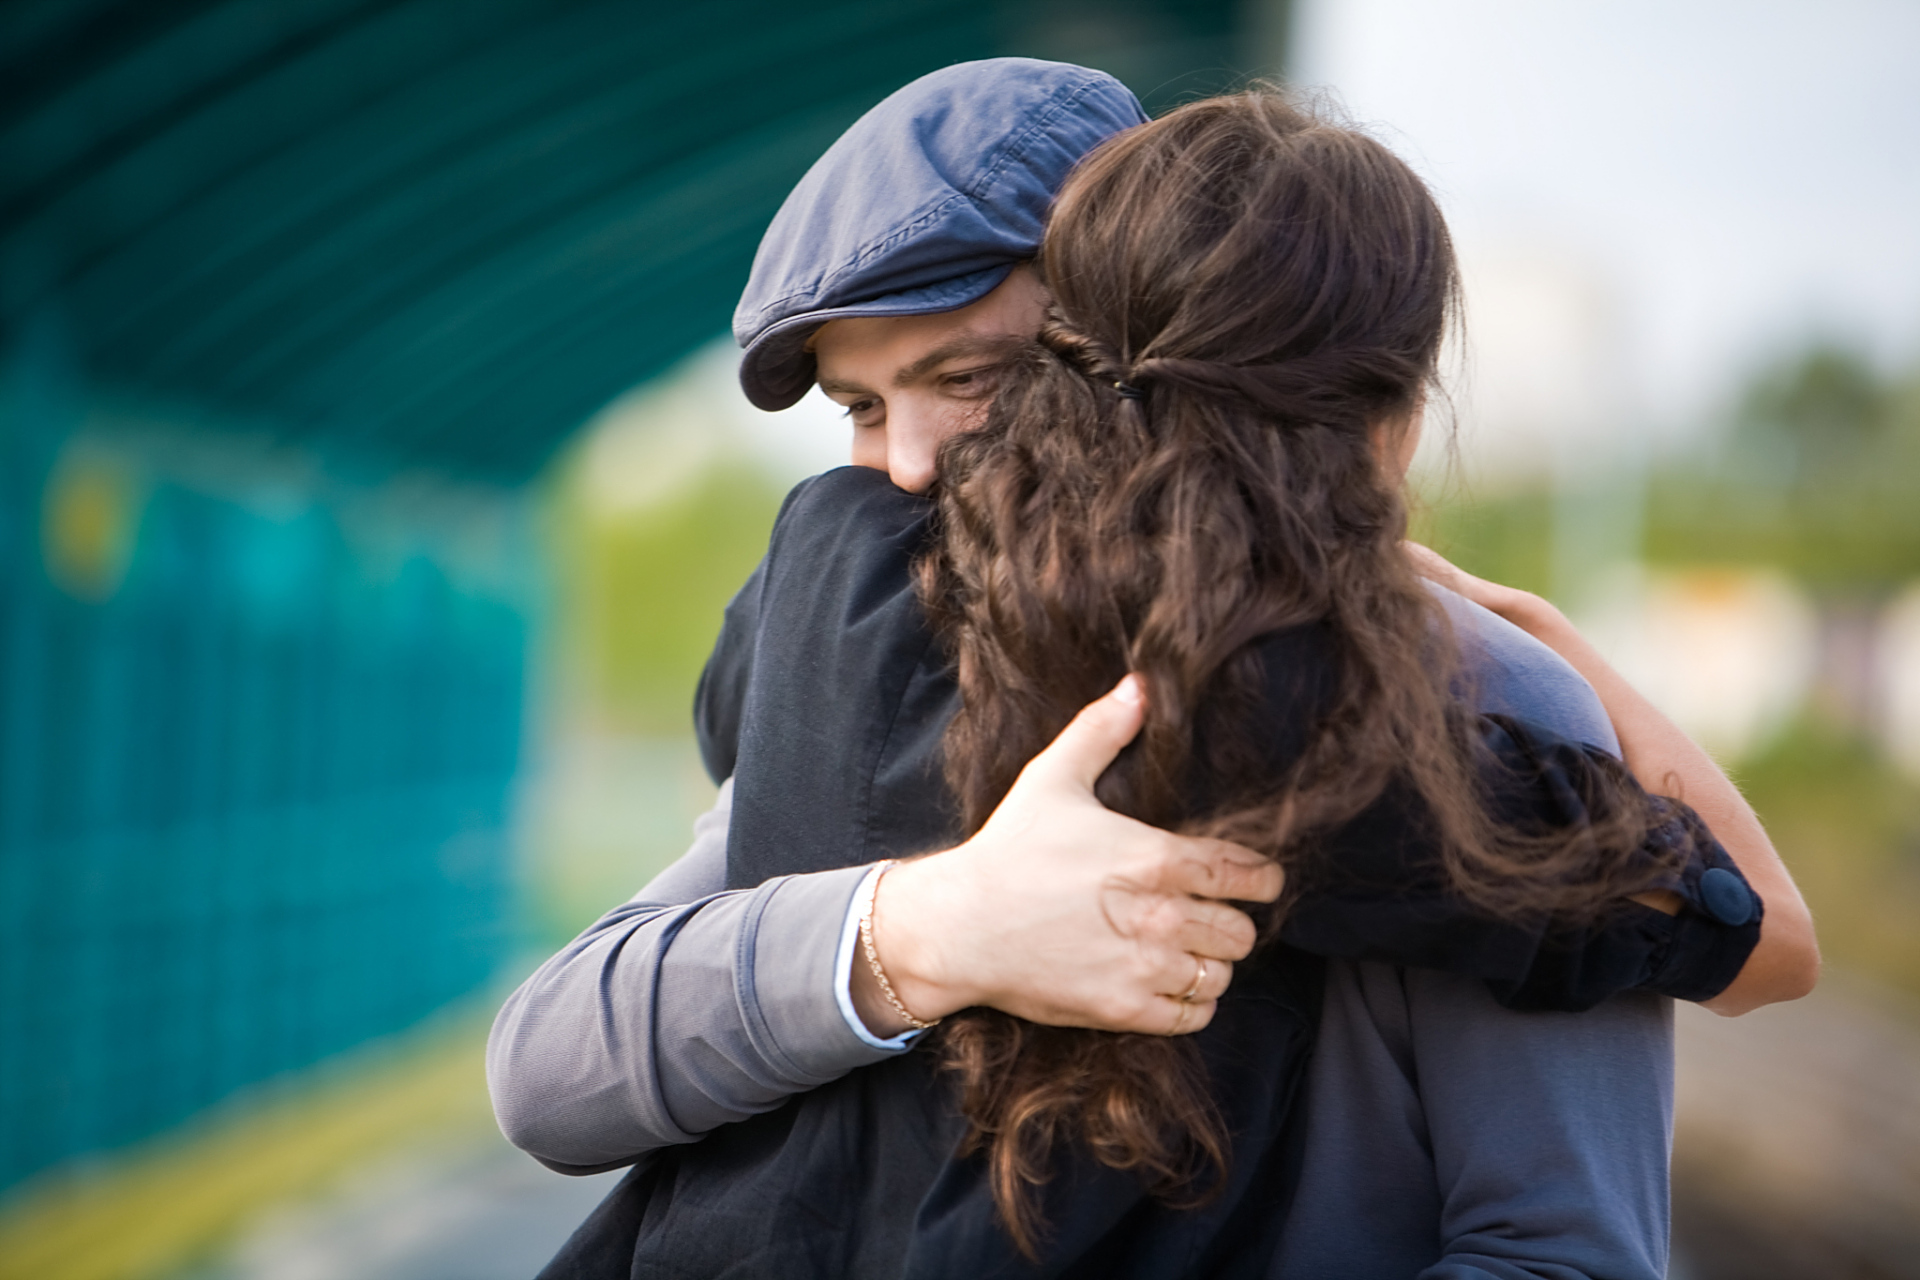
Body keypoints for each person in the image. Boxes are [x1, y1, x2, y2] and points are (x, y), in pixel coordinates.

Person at [491, 61, 1818, 1278]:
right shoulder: (887, 631)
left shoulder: (1440, 686)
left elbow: (1561, 1243)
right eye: (861, 409)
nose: (902, 471)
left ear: (1127, 330)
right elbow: (551, 1060)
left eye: (971, 376)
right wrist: (926, 929)